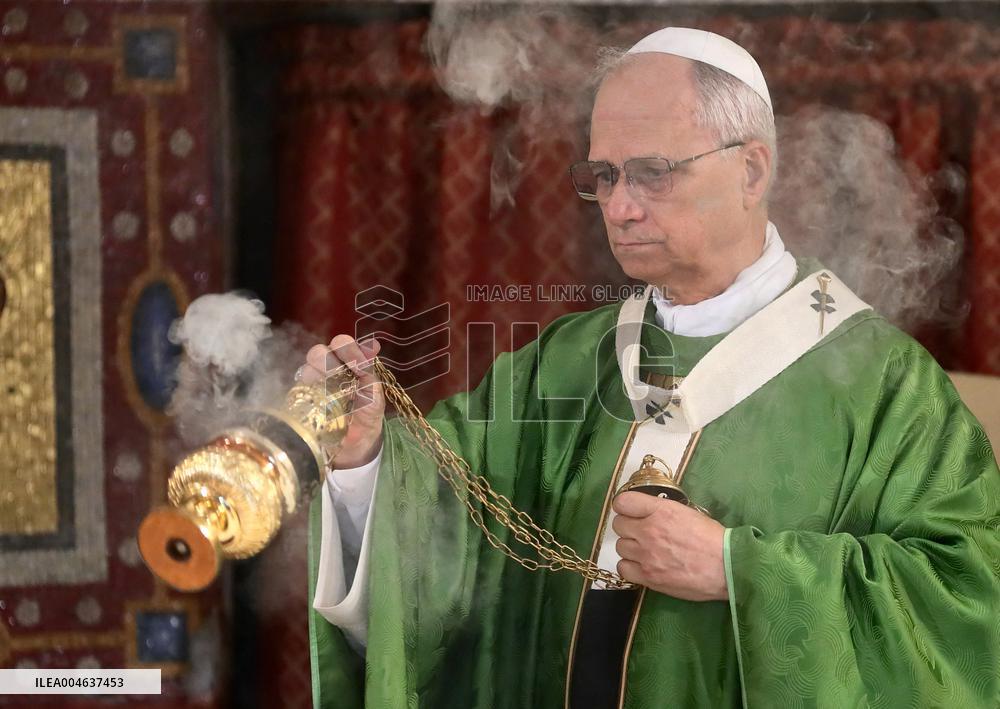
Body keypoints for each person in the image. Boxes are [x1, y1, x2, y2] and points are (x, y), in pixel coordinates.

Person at [300, 27, 1000, 709]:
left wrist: (737, 569)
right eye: (604, 175)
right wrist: (365, 456)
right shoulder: (565, 363)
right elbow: (441, 526)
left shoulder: (882, 382)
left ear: (751, 169)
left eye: (653, 173)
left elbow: (967, 600)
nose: (619, 206)